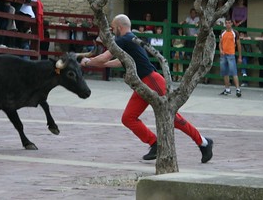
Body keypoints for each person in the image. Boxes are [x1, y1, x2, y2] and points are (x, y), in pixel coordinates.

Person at [80, 14, 213, 163]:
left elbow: (104, 57)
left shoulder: (123, 39)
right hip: (141, 84)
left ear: (119, 27)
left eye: (112, 28)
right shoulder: (130, 39)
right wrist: (98, 63)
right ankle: (154, 144)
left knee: (173, 117)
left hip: (152, 80)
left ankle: (204, 142)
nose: (112, 30)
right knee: (128, 118)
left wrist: (88, 62)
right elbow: (120, 61)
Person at [219, 19, 243, 97]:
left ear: (232, 24)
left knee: (233, 72)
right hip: (223, 55)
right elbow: (220, 43)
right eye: (226, 23)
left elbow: (238, 45)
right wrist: (221, 50)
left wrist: (239, 56)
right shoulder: (223, 32)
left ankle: (238, 89)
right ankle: (227, 89)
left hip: (231, 54)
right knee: (225, 72)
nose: (228, 24)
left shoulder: (235, 33)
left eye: (229, 23)